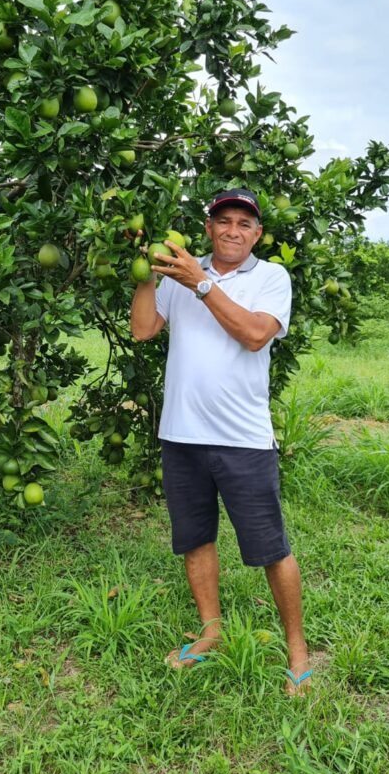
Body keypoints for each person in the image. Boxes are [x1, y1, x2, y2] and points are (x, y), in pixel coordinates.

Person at [130, 187, 312, 696]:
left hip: (243, 439)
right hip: (181, 434)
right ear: (208, 227)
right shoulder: (179, 272)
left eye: (244, 223)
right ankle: (211, 631)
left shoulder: (271, 277)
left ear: (257, 234)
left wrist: (202, 284)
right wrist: (146, 269)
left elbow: (255, 334)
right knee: (195, 538)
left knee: (270, 546)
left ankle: (297, 647)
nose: (233, 230)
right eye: (223, 220)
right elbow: (143, 330)